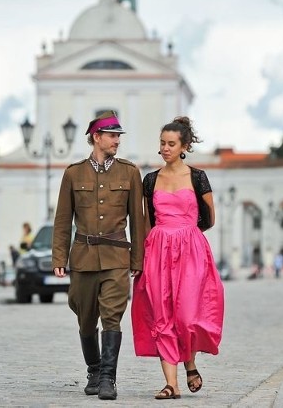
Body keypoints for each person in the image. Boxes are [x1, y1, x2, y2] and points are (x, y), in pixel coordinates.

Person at [52, 110, 145, 400]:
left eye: (119, 136)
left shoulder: (130, 172)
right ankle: (94, 368)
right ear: (97, 137)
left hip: (117, 256)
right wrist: (59, 259)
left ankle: (108, 378)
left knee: (112, 317)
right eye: (112, 135)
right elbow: (62, 219)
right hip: (83, 257)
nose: (117, 140)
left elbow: (138, 220)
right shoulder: (73, 173)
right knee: (85, 318)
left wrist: (137, 260)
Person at [131, 116, 225, 400]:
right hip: (158, 249)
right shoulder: (150, 180)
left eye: (171, 143)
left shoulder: (197, 177)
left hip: (190, 249)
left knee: (186, 315)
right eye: (162, 143)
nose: (165, 148)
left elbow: (208, 218)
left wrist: (187, 236)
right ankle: (171, 384)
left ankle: (191, 363)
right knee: (163, 315)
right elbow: (148, 221)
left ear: (184, 146)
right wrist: (144, 256)